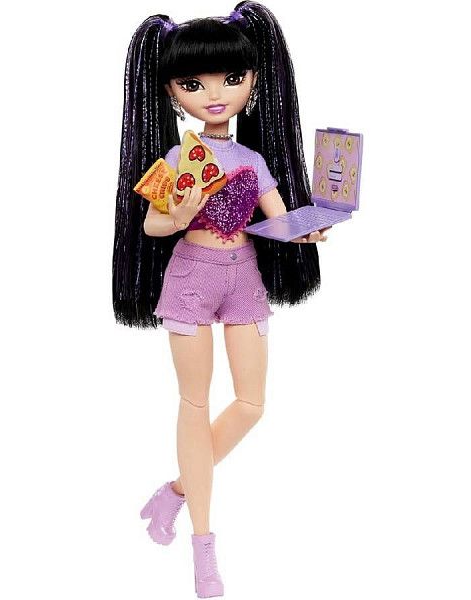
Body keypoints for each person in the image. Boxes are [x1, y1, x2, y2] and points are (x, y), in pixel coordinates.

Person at [112, 3, 331, 597]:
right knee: (194, 402)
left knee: (252, 404)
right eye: (194, 84)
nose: (214, 94)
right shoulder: (178, 158)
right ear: (171, 91)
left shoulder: (252, 160)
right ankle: (203, 549)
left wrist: (307, 231)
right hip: (190, 278)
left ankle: (175, 491)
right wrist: (181, 211)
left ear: (253, 82)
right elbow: (153, 226)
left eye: (231, 79)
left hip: (244, 278)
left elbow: (277, 221)